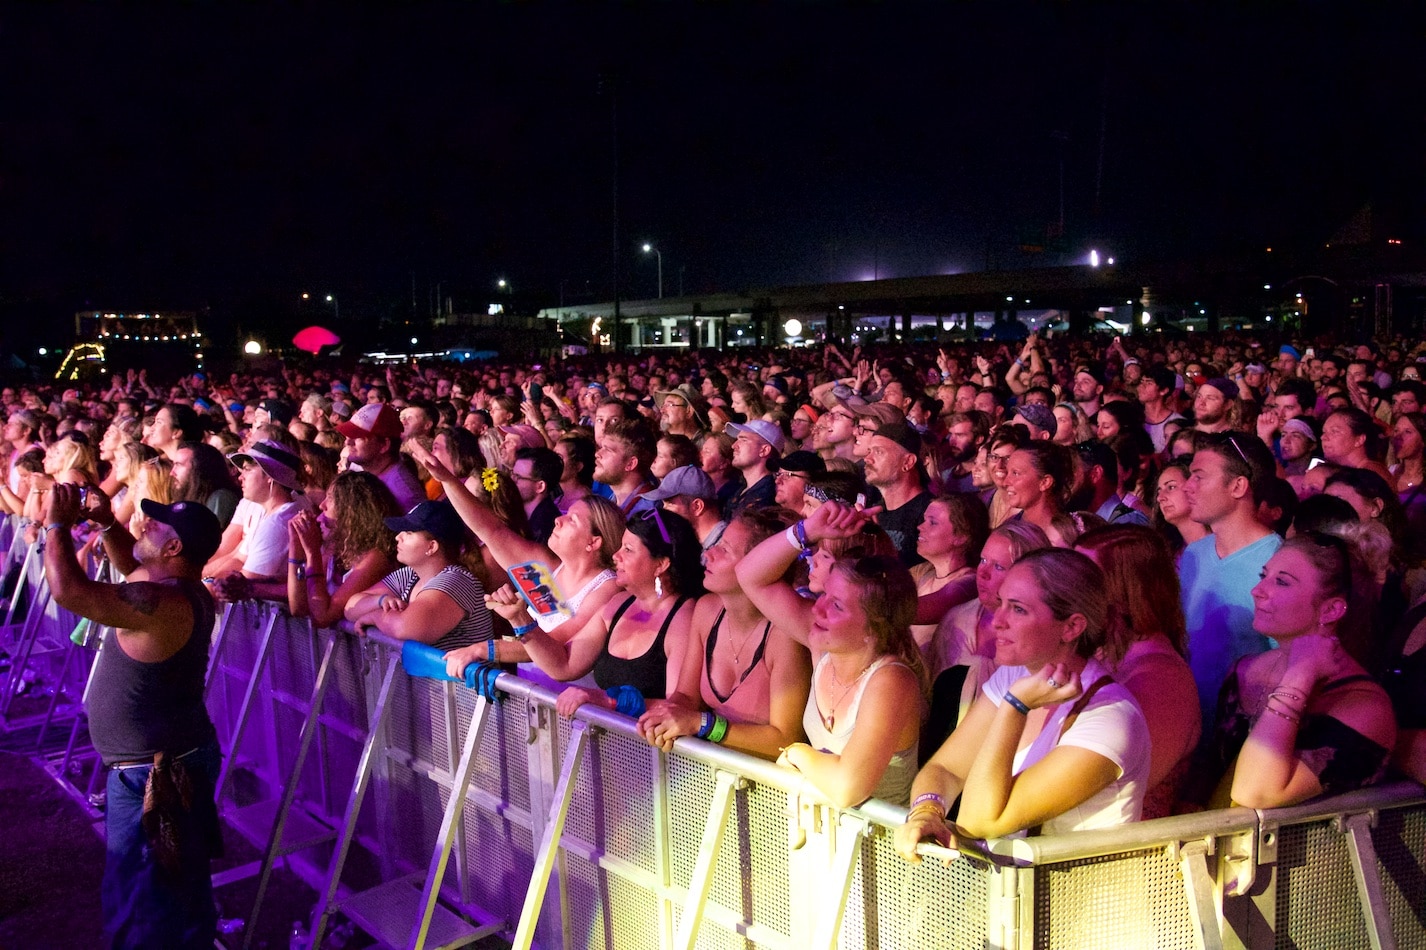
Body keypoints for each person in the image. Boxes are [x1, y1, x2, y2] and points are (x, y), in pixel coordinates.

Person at [43, 485, 225, 948]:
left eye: (156, 524)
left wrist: (56, 523)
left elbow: (68, 590)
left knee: (142, 904)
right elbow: (134, 568)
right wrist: (107, 523)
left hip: (156, 775)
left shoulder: (164, 602)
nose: (143, 524)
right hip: (165, 761)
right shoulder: (176, 590)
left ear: (174, 547)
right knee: (176, 894)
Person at [895, 549, 1150, 852]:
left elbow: (979, 821)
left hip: (1075, 883)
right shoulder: (1015, 674)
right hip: (1013, 881)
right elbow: (946, 768)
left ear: (1071, 627)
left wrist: (1015, 707)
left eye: (1017, 609)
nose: (997, 620)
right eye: (1001, 602)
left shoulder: (1110, 718)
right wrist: (927, 811)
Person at [1193, 533, 1397, 809]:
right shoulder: (1244, 671)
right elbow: (1208, 778)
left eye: (1282, 582)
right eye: (1263, 575)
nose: (1257, 590)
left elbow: (1254, 792)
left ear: (1331, 610)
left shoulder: (1366, 709)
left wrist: (1300, 675)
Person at [637, 508, 812, 759]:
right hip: (714, 770)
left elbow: (786, 739)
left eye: (725, 549)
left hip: (765, 778)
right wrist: (665, 716)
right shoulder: (707, 610)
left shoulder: (784, 635)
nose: (708, 553)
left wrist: (704, 725)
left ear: (759, 567)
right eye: (717, 544)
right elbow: (686, 696)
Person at [526, 508, 703, 717]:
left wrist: (608, 701)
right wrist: (520, 621)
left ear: (661, 564)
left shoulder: (684, 619)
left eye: (628, 549)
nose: (615, 556)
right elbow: (563, 665)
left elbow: (679, 710)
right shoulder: (618, 604)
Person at [1075, 525, 1200, 818]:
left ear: (1125, 592)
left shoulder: (1162, 679)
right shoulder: (1105, 652)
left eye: (1085, 579)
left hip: (1128, 842)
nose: (1070, 588)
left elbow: (1114, 789)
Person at [1180, 432, 1283, 737]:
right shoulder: (1194, 554)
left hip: (1242, 735)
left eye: (1199, 477)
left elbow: (1288, 661)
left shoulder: (1279, 563)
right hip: (1190, 724)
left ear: (1238, 486)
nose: (1187, 486)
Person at [923, 522, 1052, 759]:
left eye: (999, 566)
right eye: (983, 560)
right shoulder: (956, 620)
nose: (982, 573)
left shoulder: (1040, 637)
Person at [345, 500, 493, 650]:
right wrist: (381, 601)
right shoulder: (410, 574)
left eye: (409, 533)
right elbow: (350, 608)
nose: (398, 537)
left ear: (431, 546)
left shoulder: (456, 580)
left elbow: (404, 627)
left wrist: (374, 616)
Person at [287, 471, 401, 627]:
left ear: (353, 509)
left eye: (331, 498)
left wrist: (312, 552)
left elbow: (322, 617)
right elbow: (298, 607)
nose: (322, 505)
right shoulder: (336, 547)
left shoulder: (377, 556)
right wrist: (296, 545)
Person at [865, 421, 932, 567]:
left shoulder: (930, 512)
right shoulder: (874, 514)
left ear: (908, 462)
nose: (867, 459)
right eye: (868, 451)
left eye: (878, 452)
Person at [338, 402, 426, 511]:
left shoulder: (405, 495)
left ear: (384, 445)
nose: (348, 442)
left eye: (358, 436)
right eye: (349, 435)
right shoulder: (357, 467)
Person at [723, 419, 782, 518]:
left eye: (743, 440)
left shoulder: (768, 496)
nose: (734, 446)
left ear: (764, 450)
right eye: (737, 439)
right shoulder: (741, 490)